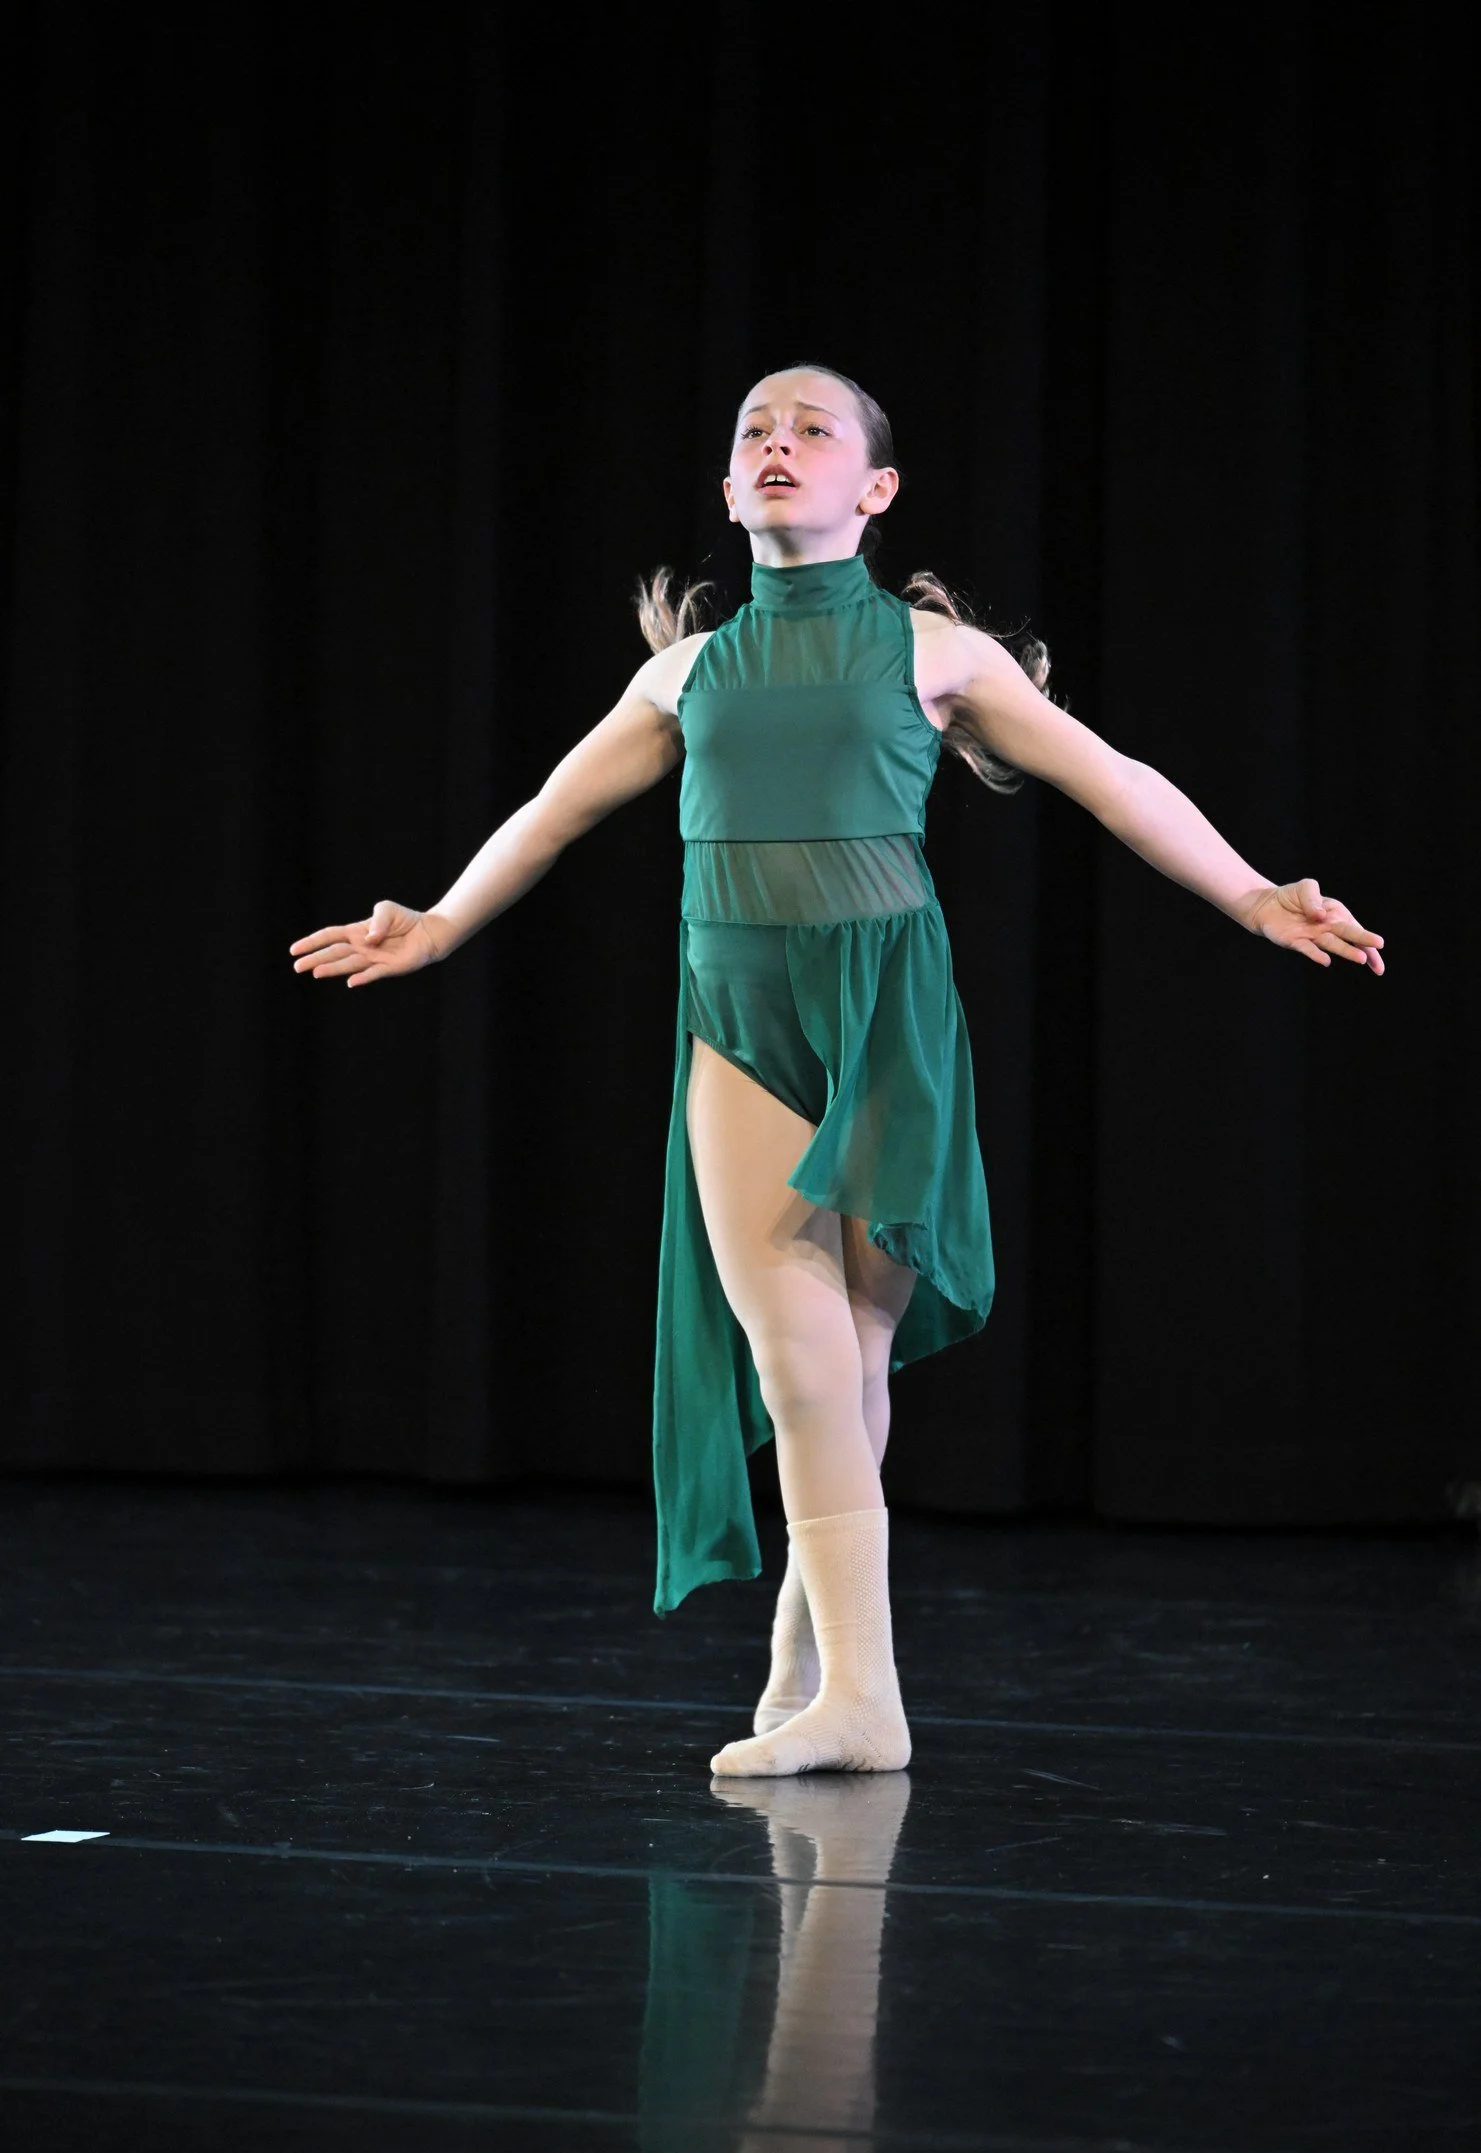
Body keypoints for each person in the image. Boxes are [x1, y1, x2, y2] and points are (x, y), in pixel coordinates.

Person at [289, 363, 1386, 1782]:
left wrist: (1251, 894)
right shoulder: (684, 673)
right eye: (756, 430)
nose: (779, 443)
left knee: (853, 1358)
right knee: (800, 1353)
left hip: (881, 1019)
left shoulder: (938, 655)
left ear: (875, 489)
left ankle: (826, 1671)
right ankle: (852, 1690)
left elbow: (1113, 777)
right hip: (738, 1023)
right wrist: (439, 921)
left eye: (814, 430)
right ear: (728, 488)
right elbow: (552, 811)